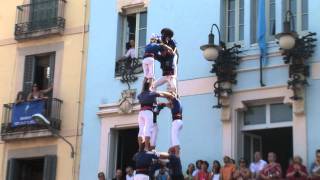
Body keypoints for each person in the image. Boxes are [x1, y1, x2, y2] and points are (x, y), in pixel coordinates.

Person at [137, 79, 173, 151]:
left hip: (142, 113)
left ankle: (143, 148)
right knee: (147, 129)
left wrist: (144, 83)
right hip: (148, 113)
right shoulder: (152, 94)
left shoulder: (141, 95)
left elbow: (166, 104)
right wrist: (171, 95)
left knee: (142, 131)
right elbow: (162, 94)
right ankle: (146, 147)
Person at [153, 28, 177, 93]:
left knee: (172, 80)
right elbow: (155, 54)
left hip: (170, 68)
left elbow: (173, 52)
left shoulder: (172, 42)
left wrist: (165, 47)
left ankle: (174, 95)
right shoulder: (161, 40)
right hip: (165, 73)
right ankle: (154, 100)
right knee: (154, 85)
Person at [166, 92, 183, 157]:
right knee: (175, 138)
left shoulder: (176, 100)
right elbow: (168, 105)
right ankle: (175, 151)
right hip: (178, 121)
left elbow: (170, 97)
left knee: (174, 138)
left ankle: (177, 154)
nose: (169, 100)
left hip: (176, 121)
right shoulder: (177, 104)